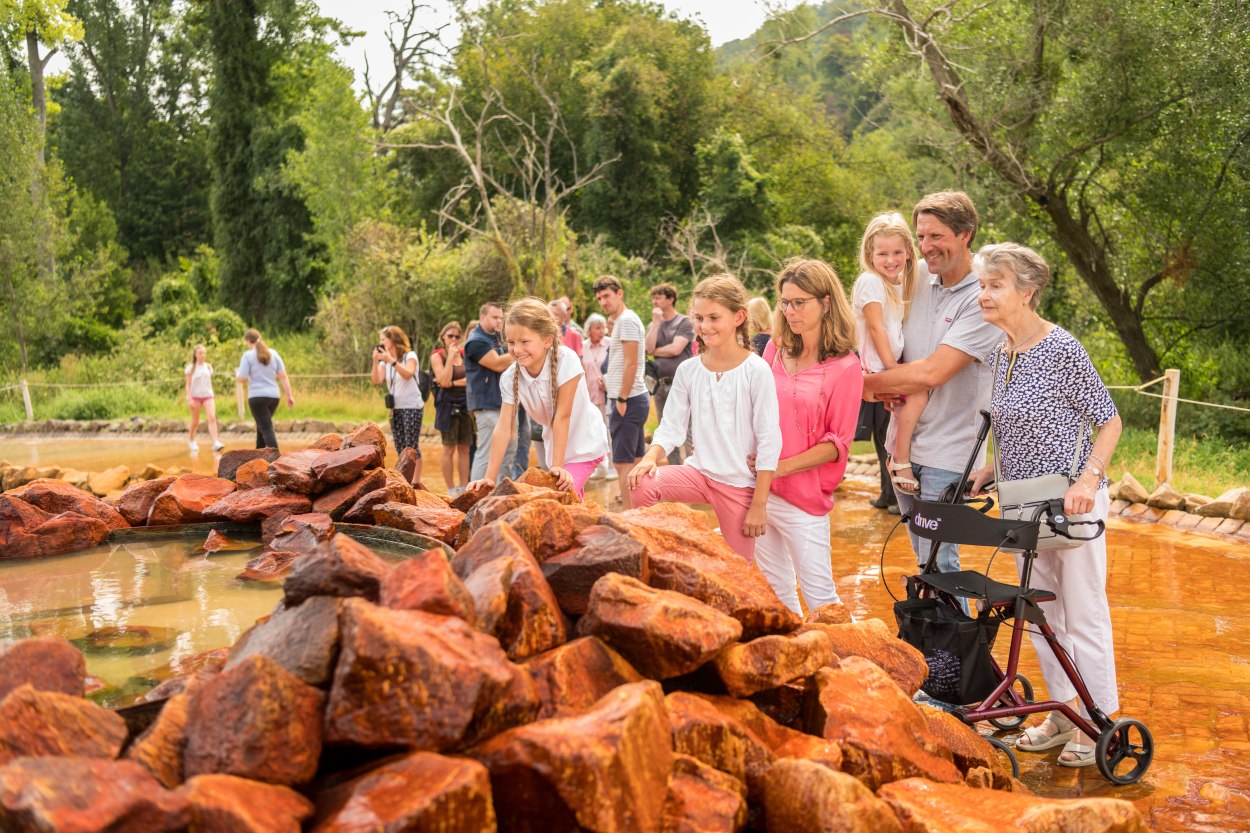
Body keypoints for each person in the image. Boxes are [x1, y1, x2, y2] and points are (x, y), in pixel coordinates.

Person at [965, 242, 1122, 768]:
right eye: (982, 285)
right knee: (1038, 616)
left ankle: (1101, 720)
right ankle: (1061, 714)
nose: (983, 294)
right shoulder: (1000, 351)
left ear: (1026, 292)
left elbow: (1109, 420)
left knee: (1083, 616)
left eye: (994, 285)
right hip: (1020, 502)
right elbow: (1008, 426)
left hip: (1070, 503)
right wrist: (992, 468)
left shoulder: (1062, 349)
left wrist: (1087, 479)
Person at [861, 191, 1000, 574]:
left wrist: (863, 384)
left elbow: (933, 373)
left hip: (949, 452)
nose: (925, 247)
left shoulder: (985, 296)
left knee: (943, 562)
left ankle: (958, 634)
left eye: (935, 236)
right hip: (902, 444)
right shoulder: (914, 275)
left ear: (965, 234)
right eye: (920, 237)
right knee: (924, 560)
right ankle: (927, 635)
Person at [629, 274, 781, 563]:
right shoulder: (689, 370)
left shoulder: (757, 370)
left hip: (739, 486)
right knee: (641, 482)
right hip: (698, 474)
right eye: (699, 318)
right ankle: (661, 559)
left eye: (714, 317)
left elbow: (769, 440)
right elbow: (671, 426)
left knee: (741, 572)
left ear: (739, 317)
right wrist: (650, 457)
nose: (705, 326)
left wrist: (759, 504)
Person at [752, 260, 863, 613]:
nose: (790, 310)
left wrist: (777, 467)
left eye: (800, 302)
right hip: (761, 492)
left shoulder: (846, 366)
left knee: (822, 601)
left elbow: (836, 444)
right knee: (777, 596)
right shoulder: (773, 351)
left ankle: (849, 666)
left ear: (826, 303)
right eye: (785, 302)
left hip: (805, 499)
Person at [467, 299, 608, 499]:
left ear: (547, 340)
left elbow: (562, 416)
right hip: (557, 447)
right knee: (572, 503)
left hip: (584, 443)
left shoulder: (565, 360)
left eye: (524, 342)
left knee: (562, 498)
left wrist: (558, 466)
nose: (517, 349)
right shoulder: (510, 377)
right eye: (511, 342)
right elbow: (504, 427)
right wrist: (489, 477)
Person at [853, 212, 921, 512]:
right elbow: (877, 327)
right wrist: (893, 370)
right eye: (882, 253)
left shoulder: (898, 284)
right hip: (883, 366)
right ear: (870, 254)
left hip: (890, 362)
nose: (890, 259)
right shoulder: (870, 281)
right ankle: (900, 469)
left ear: (908, 251)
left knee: (895, 423)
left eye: (897, 252)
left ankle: (897, 490)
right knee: (917, 395)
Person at [594, 275, 649, 506]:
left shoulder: (626, 320)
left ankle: (630, 516)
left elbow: (632, 362)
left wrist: (622, 397)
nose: (603, 302)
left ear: (619, 293)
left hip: (628, 398)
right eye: (599, 298)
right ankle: (641, 511)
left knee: (623, 463)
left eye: (606, 296)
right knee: (636, 460)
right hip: (633, 397)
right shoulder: (625, 320)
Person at [465, 303, 517, 481]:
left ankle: (501, 493)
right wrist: (523, 348)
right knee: (487, 452)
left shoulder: (495, 338)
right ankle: (476, 496)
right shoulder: (475, 341)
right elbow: (497, 364)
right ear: (482, 317)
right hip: (486, 405)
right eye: (495, 317)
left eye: (501, 317)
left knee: (509, 448)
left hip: (503, 403)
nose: (499, 321)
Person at [645, 282, 695, 465]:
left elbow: (676, 349)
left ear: (671, 299)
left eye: (658, 297)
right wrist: (657, 323)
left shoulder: (684, 322)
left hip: (680, 383)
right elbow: (648, 348)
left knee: (688, 428)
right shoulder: (653, 324)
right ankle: (675, 469)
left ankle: (691, 469)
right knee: (665, 428)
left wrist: (655, 350)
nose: (654, 301)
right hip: (660, 384)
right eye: (653, 298)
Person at [370, 326, 424, 484]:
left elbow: (408, 374)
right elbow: (376, 379)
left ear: (393, 340)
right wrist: (376, 361)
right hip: (396, 409)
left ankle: (415, 481)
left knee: (412, 446)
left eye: (383, 339)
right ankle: (405, 479)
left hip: (412, 406)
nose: (380, 343)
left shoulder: (410, 356)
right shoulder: (385, 362)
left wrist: (391, 361)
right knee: (400, 446)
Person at [431, 321, 472, 496]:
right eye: (450, 336)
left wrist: (451, 383)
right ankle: (451, 489)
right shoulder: (437, 355)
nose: (454, 339)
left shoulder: (464, 354)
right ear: (443, 337)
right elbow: (443, 379)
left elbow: (469, 380)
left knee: (464, 447)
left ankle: (463, 488)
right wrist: (449, 359)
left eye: (457, 336)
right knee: (449, 448)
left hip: (465, 405)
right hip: (447, 406)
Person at [236, 328, 294, 450]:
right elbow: (283, 376)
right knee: (261, 426)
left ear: (248, 341)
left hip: (257, 397)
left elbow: (242, 378)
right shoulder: (274, 353)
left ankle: (276, 459)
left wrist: (237, 375)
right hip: (274, 397)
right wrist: (290, 396)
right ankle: (259, 454)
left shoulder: (247, 356)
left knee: (266, 428)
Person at [582, 312, 615, 481]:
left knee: (609, 431)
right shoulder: (583, 346)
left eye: (603, 327)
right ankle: (600, 468)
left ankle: (613, 468)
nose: (602, 331)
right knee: (594, 433)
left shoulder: (610, 344)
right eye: (597, 327)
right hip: (588, 396)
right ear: (589, 330)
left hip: (606, 395)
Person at [185, 344, 225, 453]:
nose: (203, 355)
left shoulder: (208, 366)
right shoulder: (190, 368)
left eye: (204, 353)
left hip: (208, 395)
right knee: (195, 421)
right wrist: (190, 399)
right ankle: (192, 440)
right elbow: (187, 385)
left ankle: (215, 442)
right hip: (195, 397)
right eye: (200, 353)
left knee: (212, 417)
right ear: (195, 355)